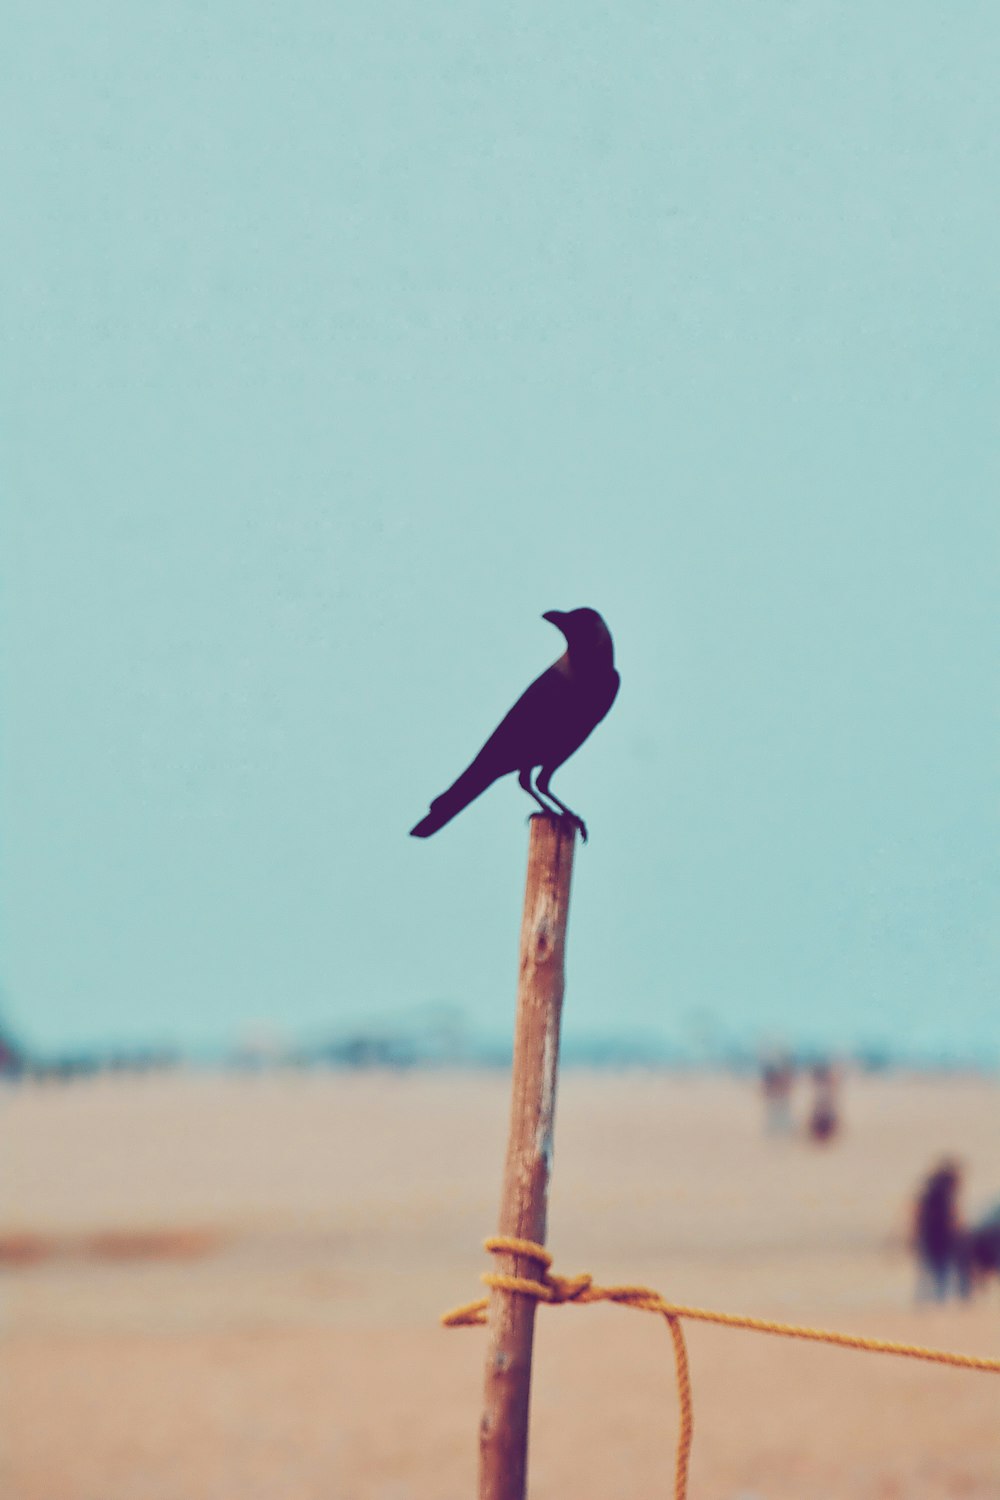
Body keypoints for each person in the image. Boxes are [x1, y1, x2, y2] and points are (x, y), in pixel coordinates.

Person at [912, 1159, 970, 1301]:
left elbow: (917, 1216)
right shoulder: (942, 1196)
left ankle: (930, 1302)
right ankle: (937, 1303)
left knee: (932, 1274)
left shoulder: (931, 1194)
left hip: (931, 1239)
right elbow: (952, 1220)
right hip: (940, 1240)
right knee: (940, 1274)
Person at [807, 1061, 839, 1144]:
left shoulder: (825, 1087)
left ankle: (822, 1134)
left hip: (824, 1115)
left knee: (825, 1115)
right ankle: (821, 1134)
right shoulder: (826, 1088)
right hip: (823, 1115)